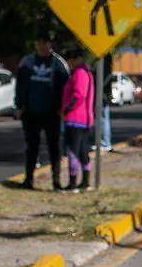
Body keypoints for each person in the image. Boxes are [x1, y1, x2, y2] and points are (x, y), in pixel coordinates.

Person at [15, 30, 70, 190]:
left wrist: (62, 109)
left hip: (52, 112)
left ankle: (56, 180)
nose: (41, 45)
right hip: (31, 112)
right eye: (38, 42)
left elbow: (66, 88)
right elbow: (20, 85)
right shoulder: (27, 62)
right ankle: (29, 178)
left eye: (45, 42)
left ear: (50, 44)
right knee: (31, 146)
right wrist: (19, 105)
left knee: (54, 147)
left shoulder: (58, 64)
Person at [60, 48, 95, 192]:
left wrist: (66, 111)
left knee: (73, 151)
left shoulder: (80, 73)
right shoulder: (84, 72)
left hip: (75, 118)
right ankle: (85, 181)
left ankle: (72, 183)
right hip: (83, 118)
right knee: (82, 151)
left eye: (71, 60)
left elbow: (78, 96)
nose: (69, 64)